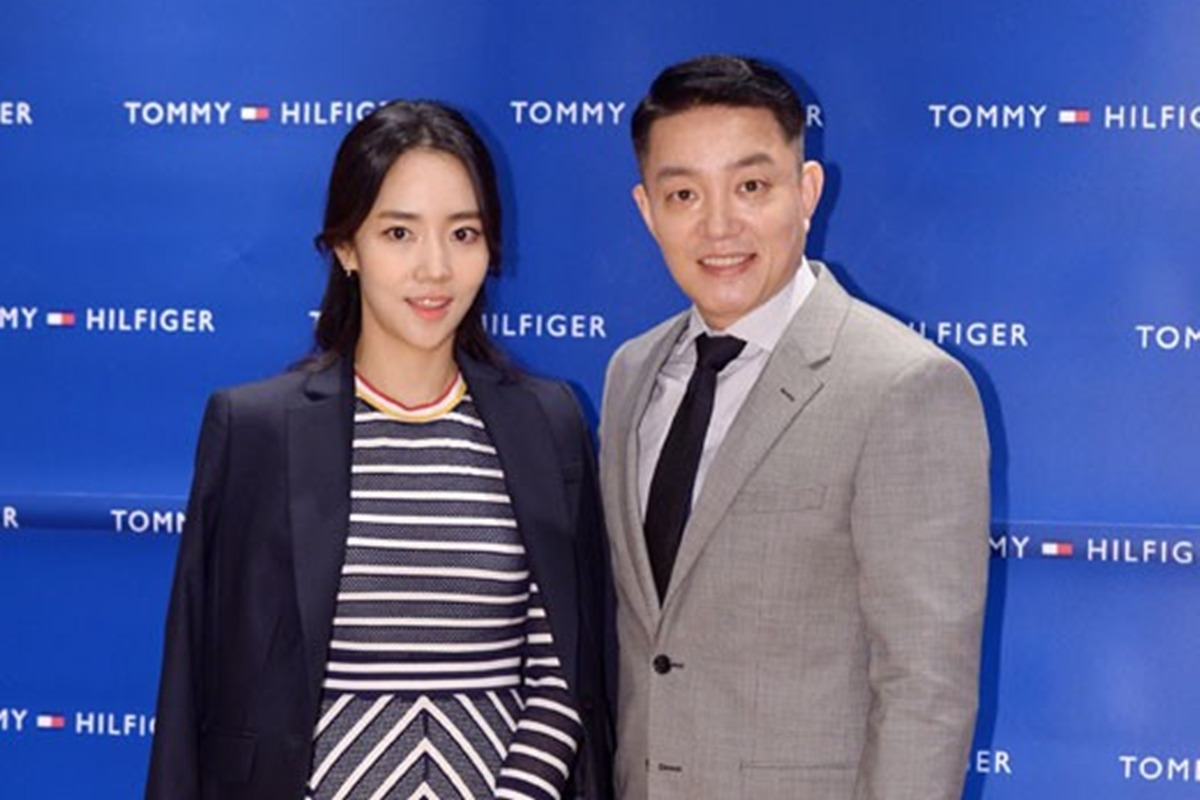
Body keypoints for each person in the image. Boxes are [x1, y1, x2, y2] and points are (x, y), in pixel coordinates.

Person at [146, 100, 612, 800]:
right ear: (346, 246)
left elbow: (564, 673)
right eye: (399, 233)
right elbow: (197, 679)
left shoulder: (547, 424)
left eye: (463, 233)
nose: (435, 268)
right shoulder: (256, 430)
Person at [599, 55, 990, 799]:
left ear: (806, 191)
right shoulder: (631, 374)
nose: (719, 226)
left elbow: (926, 690)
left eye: (751, 187)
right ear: (648, 210)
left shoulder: (904, 386)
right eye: (683, 194)